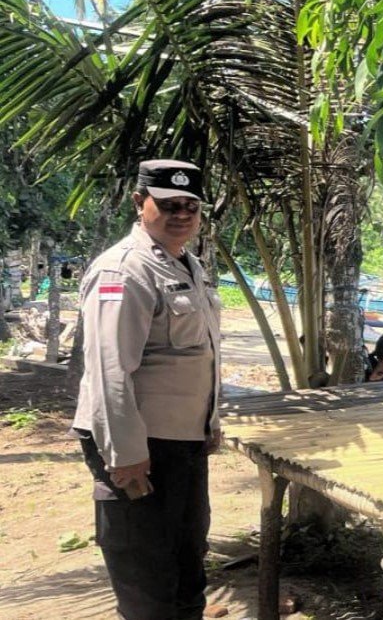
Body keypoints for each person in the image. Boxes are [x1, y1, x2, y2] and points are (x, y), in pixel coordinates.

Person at [71, 159, 222, 620]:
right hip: (142, 447)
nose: (181, 214)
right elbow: (109, 369)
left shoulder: (186, 265)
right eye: (168, 204)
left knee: (187, 563)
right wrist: (125, 454)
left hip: (183, 444)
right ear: (140, 203)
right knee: (146, 578)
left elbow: (200, 358)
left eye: (190, 205)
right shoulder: (123, 271)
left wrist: (209, 424)